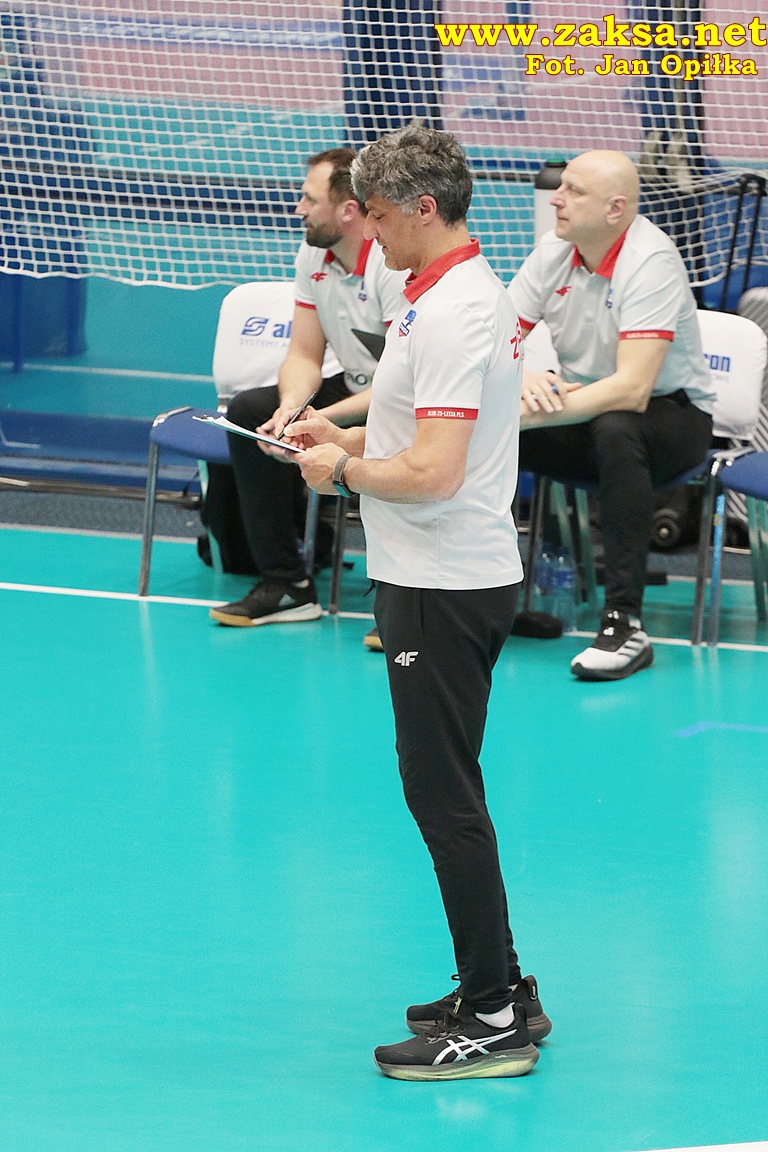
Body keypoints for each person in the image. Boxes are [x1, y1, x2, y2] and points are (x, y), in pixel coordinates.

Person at [282, 125, 550, 1082]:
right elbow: (413, 421)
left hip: (445, 581)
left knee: (443, 797)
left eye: (381, 213)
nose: (370, 228)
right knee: (448, 789)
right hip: (434, 573)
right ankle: (505, 987)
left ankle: (492, 1020)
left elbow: (434, 473)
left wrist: (340, 472)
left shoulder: (454, 312)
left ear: (424, 209)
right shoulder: (434, 293)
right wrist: (338, 429)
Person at [509, 150, 716, 681]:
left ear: (615, 209)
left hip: (673, 418)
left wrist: (527, 416)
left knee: (617, 428)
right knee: (481, 428)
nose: (556, 198)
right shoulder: (553, 251)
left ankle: (625, 623)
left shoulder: (650, 261)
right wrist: (522, 375)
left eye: (574, 190)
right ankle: (482, 598)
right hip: (585, 409)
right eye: (561, 187)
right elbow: (496, 341)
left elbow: (632, 388)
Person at [206, 148, 406, 637]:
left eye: (309, 199)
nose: (299, 209)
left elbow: (401, 383)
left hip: (406, 396)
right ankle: (288, 583)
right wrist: (291, 409)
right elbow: (302, 354)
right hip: (356, 386)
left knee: (397, 431)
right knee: (252, 410)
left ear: (348, 210)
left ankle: (405, 603)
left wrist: (323, 421)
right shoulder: (313, 254)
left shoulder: (391, 265)